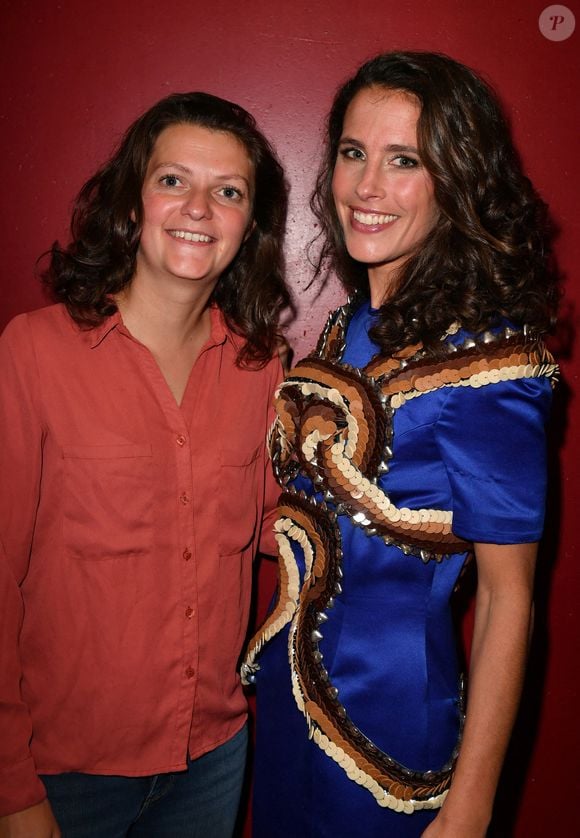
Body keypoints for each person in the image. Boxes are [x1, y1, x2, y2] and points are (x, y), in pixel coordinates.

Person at [242, 52, 558, 837]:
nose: (367, 187)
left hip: (391, 735)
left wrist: (473, 805)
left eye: (404, 161)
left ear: (455, 180)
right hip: (284, 711)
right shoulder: (349, 327)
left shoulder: (490, 365)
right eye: (354, 153)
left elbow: (508, 597)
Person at [0, 91, 290, 837]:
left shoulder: (263, 370)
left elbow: (280, 528)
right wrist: (10, 789)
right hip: (65, 774)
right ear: (133, 199)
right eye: (173, 181)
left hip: (214, 758)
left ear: (249, 225)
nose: (199, 207)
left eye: (228, 192)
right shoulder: (32, 353)